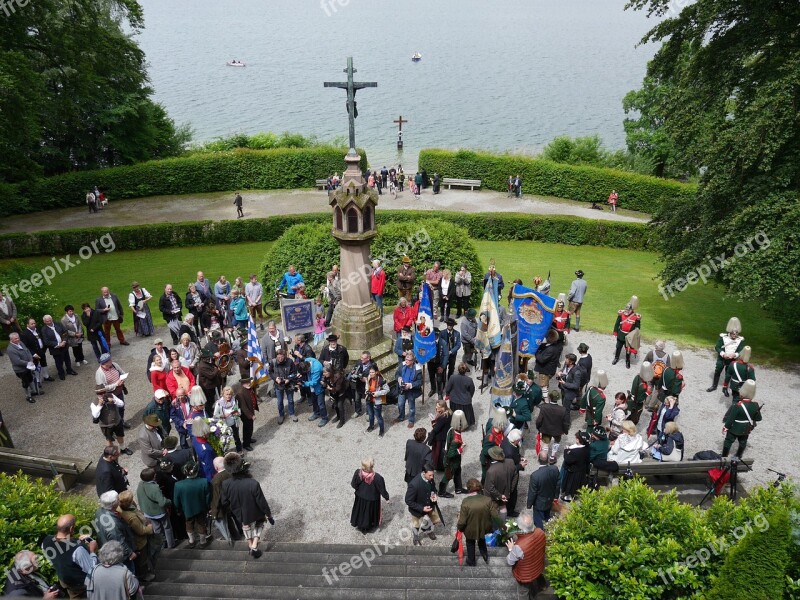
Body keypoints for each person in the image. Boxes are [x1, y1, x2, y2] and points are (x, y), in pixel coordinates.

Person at [221, 453, 274, 559]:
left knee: (245, 525)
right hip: (254, 511)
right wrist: (269, 515)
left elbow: (224, 502)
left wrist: (232, 508)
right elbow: (261, 502)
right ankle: (254, 545)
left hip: (239, 512)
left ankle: (250, 545)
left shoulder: (225, 484)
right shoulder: (253, 483)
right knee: (260, 522)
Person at [40, 514, 98, 598]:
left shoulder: (46, 541)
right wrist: (92, 551)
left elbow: (56, 555)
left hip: (65, 582)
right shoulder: (78, 550)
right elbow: (92, 570)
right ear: (71, 529)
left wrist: (77, 540)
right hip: (81, 586)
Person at [116, 491, 156, 582]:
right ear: (129, 502)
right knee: (142, 560)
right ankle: (144, 575)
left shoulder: (119, 508)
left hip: (133, 540)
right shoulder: (131, 517)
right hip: (139, 542)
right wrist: (150, 528)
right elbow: (141, 530)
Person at [506, 513, 548, 599]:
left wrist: (511, 549)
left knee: (523, 593)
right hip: (538, 565)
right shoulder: (540, 532)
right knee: (538, 574)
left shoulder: (519, 546)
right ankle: (543, 585)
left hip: (525, 575)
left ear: (521, 528)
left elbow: (510, 561)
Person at [456, 478, 496, 566]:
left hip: (470, 529)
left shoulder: (466, 502)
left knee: (470, 543)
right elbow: (494, 515)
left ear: (468, 488)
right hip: (483, 526)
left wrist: (459, 528)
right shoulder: (487, 500)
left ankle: (471, 560)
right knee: (481, 540)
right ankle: (485, 555)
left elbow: (462, 521)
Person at [173, 461, 212, 548]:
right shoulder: (204, 481)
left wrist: (178, 510)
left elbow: (176, 500)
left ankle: (191, 541)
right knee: (201, 524)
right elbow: (208, 497)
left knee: (189, 524)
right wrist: (208, 507)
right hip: (201, 508)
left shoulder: (178, 485)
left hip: (187, 509)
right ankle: (203, 542)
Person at [94, 491, 136, 571]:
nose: (119, 500)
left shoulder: (99, 512)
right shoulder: (113, 525)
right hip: (120, 556)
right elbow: (119, 541)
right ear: (114, 504)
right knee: (129, 573)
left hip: (105, 546)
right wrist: (130, 553)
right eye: (118, 499)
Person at [136, 467, 174, 549]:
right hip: (159, 513)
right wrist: (169, 501)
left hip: (148, 512)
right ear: (153, 477)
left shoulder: (140, 484)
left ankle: (162, 546)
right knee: (167, 528)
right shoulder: (155, 488)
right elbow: (163, 502)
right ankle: (171, 545)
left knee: (157, 530)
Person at [722, 379, 761, 458]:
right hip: (746, 428)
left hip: (734, 428)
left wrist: (726, 427)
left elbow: (731, 419)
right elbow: (759, 418)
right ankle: (739, 455)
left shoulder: (738, 405)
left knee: (728, 441)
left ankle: (724, 456)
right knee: (743, 442)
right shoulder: (755, 405)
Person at [350, 457, 390, 534]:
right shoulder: (377, 478)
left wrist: (359, 490)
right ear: (372, 466)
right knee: (368, 513)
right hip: (372, 499)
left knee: (360, 511)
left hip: (360, 497)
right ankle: (367, 527)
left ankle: (359, 524)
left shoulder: (358, 473)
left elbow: (353, 484)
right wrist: (387, 497)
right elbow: (382, 489)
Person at [405, 463, 441, 545]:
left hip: (429, 505)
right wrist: (421, 508)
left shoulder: (430, 478)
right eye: (430, 475)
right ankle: (416, 537)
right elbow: (408, 500)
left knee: (430, 520)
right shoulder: (414, 485)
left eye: (432, 475)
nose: (432, 477)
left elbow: (433, 488)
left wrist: (434, 495)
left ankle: (428, 530)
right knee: (416, 524)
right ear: (424, 473)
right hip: (417, 509)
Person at [708, 317, 746, 393]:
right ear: (730, 333)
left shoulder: (740, 340)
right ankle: (714, 386)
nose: (735, 336)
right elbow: (717, 347)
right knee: (718, 370)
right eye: (733, 334)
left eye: (736, 334)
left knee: (728, 374)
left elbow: (740, 350)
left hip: (731, 359)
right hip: (722, 358)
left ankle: (725, 388)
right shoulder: (723, 337)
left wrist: (734, 355)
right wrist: (723, 354)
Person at [527, 451, 560, 530]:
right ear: (548, 459)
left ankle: (541, 535)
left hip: (539, 503)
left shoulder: (535, 475)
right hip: (550, 499)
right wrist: (556, 496)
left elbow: (532, 492)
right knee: (547, 516)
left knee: (539, 522)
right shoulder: (555, 469)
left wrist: (529, 504)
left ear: (538, 460)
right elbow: (558, 484)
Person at [95, 353, 129, 429]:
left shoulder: (114, 365)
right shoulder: (99, 373)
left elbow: (122, 373)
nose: (111, 360)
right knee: (111, 412)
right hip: (109, 395)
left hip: (119, 392)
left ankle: (121, 421)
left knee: (121, 407)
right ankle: (113, 428)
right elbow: (102, 388)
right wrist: (116, 384)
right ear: (105, 363)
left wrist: (122, 380)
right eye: (109, 360)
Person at [535, 389, 571, 461]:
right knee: (556, 442)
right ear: (558, 399)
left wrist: (538, 427)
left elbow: (539, 420)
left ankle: (544, 457)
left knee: (545, 443)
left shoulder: (544, 407)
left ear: (550, 397)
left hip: (546, 429)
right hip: (558, 431)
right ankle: (552, 456)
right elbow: (565, 422)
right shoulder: (563, 409)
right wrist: (565, 431)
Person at [484, 446, 518, 519]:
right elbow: (515, 475)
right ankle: (503, 523)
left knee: (493, 510)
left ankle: (495, 526)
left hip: (494, 496)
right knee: (503, 507)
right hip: (506, 493)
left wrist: (499, 496)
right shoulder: (510, 461)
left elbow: (490, 488)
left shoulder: (491, 471)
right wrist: (510, 489)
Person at [41, 314, 77, 380]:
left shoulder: (58, 324)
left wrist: (64, 341)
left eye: (50, 320)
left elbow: (65, 332)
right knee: (58, 362)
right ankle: (61, 373)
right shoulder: (44, 330)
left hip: (64, 345)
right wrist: (58, 344)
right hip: (55, 348)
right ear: (44, 322)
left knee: (67, 359)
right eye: (47, 321)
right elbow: (46, 341)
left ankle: (69, 370)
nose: (49, 322)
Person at [560, 431, 591, 502]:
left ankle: (568, 497)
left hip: (574, 470)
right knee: (576, 484)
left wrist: (566, 450)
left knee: (570, 484)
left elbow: (568, 460)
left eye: (577, 438)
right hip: (581, 469)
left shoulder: (576, 452)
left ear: (579, 440)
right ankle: (572, 494)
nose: (576, 438)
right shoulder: (587, 448)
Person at [267, 349, 296, 425]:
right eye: (278, 356)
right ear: (276, 356)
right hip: (278, 384)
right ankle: (281, 415)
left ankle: (292, 413)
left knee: (290, 400)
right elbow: (270, 372)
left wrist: (289, 379)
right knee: (280, 401)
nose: (280, 358)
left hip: (288, 384)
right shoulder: (273, 362)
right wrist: (275, 378)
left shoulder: (290, 361)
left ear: (285, 356)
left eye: (282, 356)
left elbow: (294, 372)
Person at [7, 332, 37, 403]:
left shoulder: (21, 343)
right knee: (25, 383)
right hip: (21, 370)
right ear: (11, 340)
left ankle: (33, 391)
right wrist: (28, 363)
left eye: (18, 338)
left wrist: (31, 359)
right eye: (15, 339)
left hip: (28, 367)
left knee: (30, 379)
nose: (18, 339)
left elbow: (27, 351)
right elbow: (17, 361)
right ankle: (28, 396)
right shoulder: (10, 349)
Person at [20, 318, 53, 383]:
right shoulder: (24, 334)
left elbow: (42, 339)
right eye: (31, 324)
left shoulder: (37, 330)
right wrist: (33, 354)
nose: (34, 325)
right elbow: (26, 346)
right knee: (35, 366)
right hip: (33, 354)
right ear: (27, 325)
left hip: (41, 350)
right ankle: (37, 381)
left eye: (34, 323)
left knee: (44, 363)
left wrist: (44, 348)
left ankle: (46, 376)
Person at [299, 357, 328, 427]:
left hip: (318, 387)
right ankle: (316, 413)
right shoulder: (307, 360)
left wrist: (303, 384)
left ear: (308, 368)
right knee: (314, 401)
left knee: (321, 403)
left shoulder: (317, 368)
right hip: (312, 387)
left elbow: (314, 382)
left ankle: (324, 418)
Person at [395, 352, 422, 427]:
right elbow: (397, 374)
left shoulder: (417, 369)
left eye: (408, 360)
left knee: (411, 407)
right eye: (406, 359)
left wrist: (410, 385)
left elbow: (420, 382)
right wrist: (399, 379)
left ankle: (411, 420)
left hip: (411, 391)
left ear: (413, 361)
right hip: (402, 389)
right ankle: (401, 417)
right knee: (400, 404)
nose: (406, 361)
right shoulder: (402, 365)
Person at [213, 386, 243, 452]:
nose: (228, 396)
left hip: (234, 422)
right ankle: (225, 452)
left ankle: (239, 449)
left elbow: (238, 411)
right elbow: (215, 415)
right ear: (223, 394)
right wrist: (222, 415)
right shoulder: (219, 403)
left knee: (236, 437)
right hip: (225, 424)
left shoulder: (234, 401)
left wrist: (234, 413)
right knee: (225, 439)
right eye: (227, 394)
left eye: (230, 394)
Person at [436, 317, 461, 394]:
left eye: (451, 325)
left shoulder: (457, 333)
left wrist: (451, 351)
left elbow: (458, 345)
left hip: (452, 355)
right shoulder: (442, 333)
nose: (449, 326)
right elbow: (439, 343)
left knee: (451, 369)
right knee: (443, 368)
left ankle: (449, 383)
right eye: (448, 324)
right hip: (444, 355)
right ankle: (443, 383)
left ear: (453, 325)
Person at [190, 417, 218, 481]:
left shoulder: (195, 439)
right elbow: (210, 467)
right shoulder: (206, 450)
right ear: (204, 434)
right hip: (209, 474)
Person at [351, 351, 376, 418]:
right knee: (357, 399)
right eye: (361, 357)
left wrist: (366, 380)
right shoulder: (359, 361)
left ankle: (368, 413)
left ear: (368, 358)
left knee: (368, 400)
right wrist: (353, 371)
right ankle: (357, 411)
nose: (361, 359)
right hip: (358, 384)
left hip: (367, 386)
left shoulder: (373, 365)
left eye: (363, 358)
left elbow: (375, 376)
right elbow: (355, 368)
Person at [628, 361, 653, 426]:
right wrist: (647, 393)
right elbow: (639, 398)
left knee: (632, 415)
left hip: (632, 399)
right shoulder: (642, 386)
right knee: (635, 418)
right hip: (636, 403)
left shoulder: (637, 377)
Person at [323, 364, 347, 428]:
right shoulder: (326, 376)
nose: (324, 374)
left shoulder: (338, 376)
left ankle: (342, 421)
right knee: (335, 405)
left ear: (330, 371)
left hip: (340, 393)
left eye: (325, 372)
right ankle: (338, 416)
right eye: (323, 372)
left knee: (340, 406)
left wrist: (330, 389)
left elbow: (338, 388)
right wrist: (324, 384)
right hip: (333, 393)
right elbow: (325, 382)